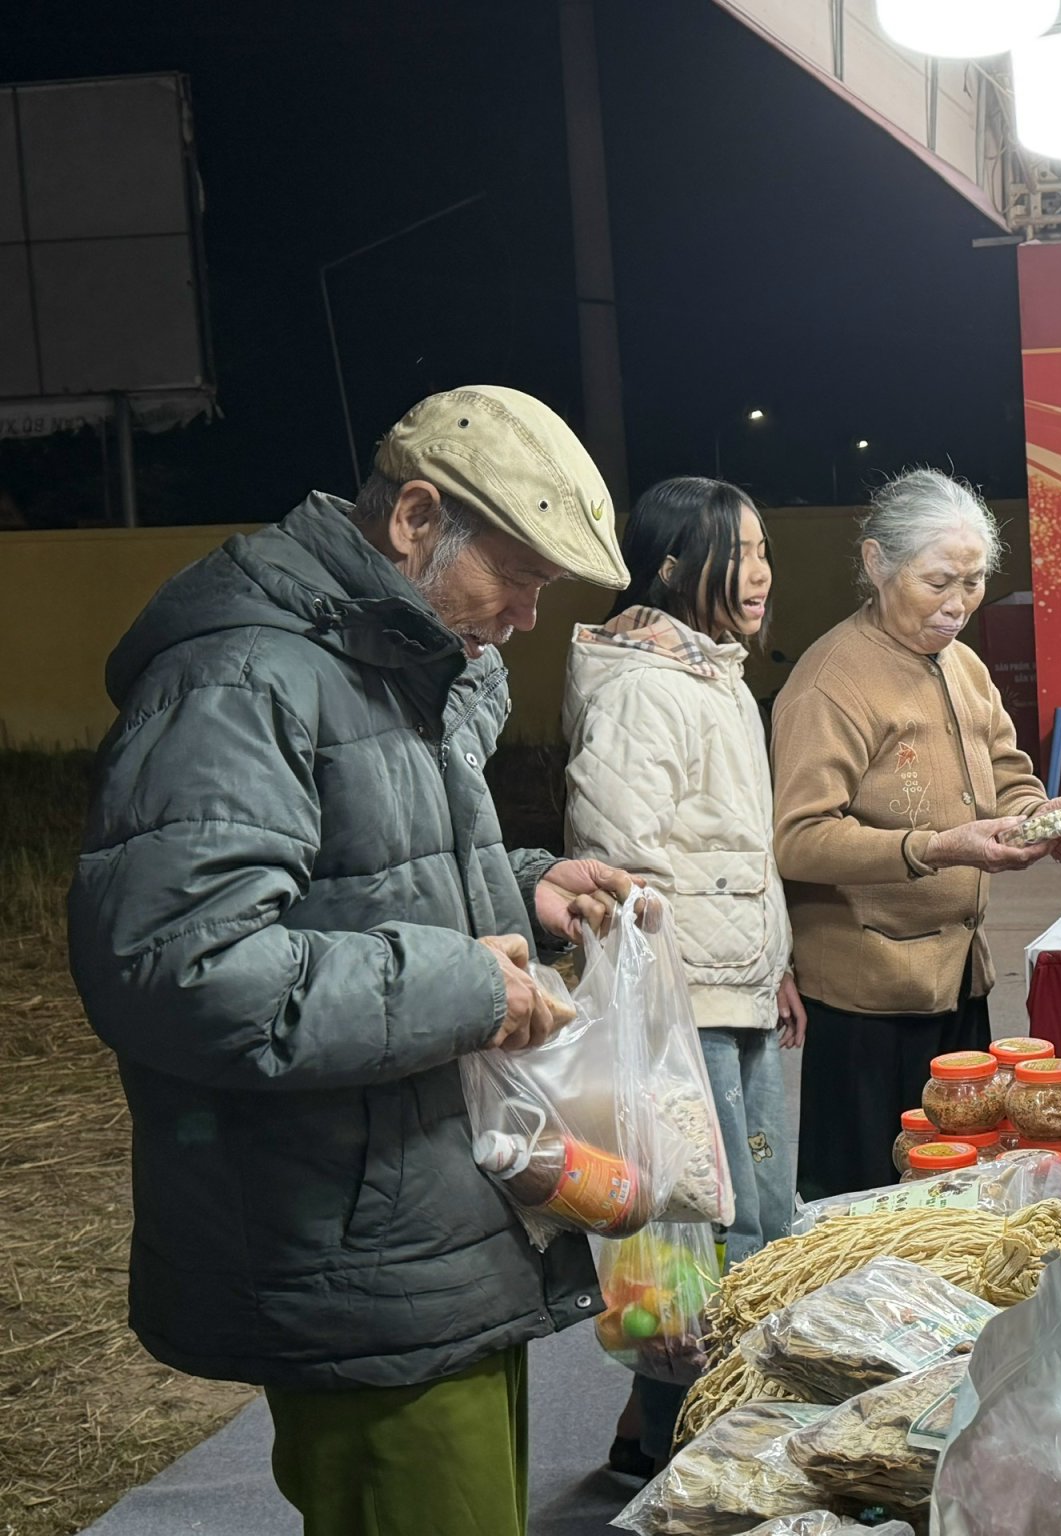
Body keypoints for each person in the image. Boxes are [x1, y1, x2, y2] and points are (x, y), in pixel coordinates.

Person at [69, 387, 649, 1536]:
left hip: (425, 1222)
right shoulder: (244, 679)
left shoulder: (380, 655)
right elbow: (181, 968)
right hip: (352, 1253)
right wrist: (469, 989)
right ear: (417, 518)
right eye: (522, 577)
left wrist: (519, 892)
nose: (530, 616)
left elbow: (368, 872)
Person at [561, 476, 800, 1475]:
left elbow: (738, 848)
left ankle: (722, 1442)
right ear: (671, 566)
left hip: (732, 989)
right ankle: (689, 1462)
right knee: (695, 1249)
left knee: (759, 1227)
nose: (758, 572)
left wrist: (775, 964)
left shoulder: (713, 679)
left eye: (760, 549)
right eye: (734, 550)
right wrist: (657, 1009)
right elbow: (619, 856)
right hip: (682, 1006)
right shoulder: (640, 687)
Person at [772, 468, 1061, 1199]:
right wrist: (936, 848)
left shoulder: (964, 666)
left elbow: (1009, 770)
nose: (957, 607)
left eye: (973, 583)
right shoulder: (832, 681)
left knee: (960, 1192)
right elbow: (798, 838)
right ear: (876, 563)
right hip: (866, 997)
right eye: (937, 581)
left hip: (959, 978)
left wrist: (1041, 815)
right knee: (869, 1200)